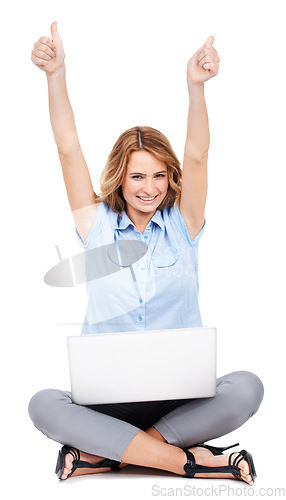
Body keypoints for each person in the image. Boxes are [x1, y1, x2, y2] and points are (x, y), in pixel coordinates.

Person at [28, 22, 264, 485]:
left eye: (159, 176)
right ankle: (188, 462)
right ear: (120, 177)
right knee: (43, 403)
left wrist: (196, 88)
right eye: (138, 177)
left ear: (169, 178)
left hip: (179, 402)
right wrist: (55, 76)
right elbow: (68, 149)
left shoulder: (184, 223)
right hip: (107, 402)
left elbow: (198, 155)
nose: (149, 188)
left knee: (246, 387)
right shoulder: (94, 224)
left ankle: (111, 454)